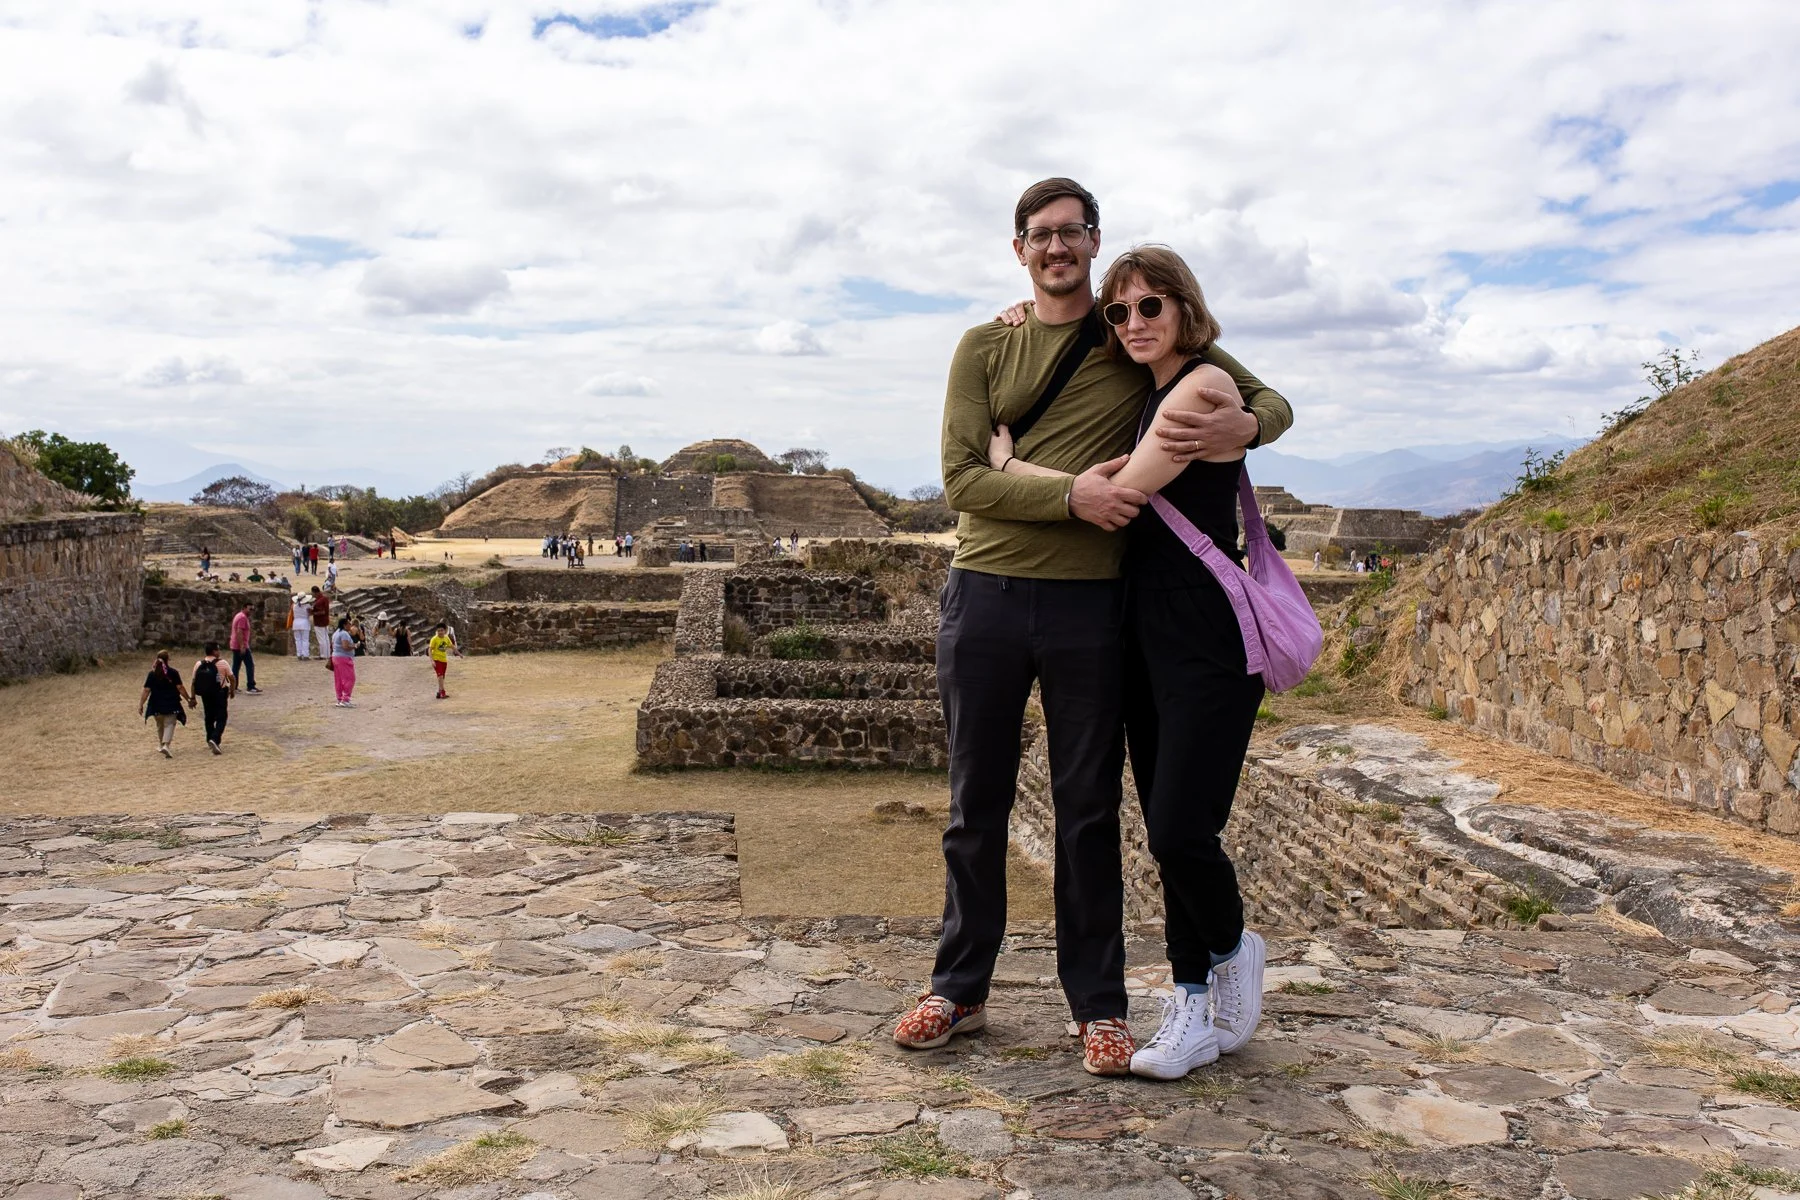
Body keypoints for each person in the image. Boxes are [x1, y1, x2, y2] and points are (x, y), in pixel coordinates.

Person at [892, 178, 1290, 1078]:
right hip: (985, 592)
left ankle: (1098, 1007)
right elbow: (964, 481)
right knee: (974, 805)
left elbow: (1269, 401)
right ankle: (958, 987)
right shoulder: (985, 346)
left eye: (1071, 233)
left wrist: (1247, 425)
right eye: (1040, 235)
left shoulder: (1127, 334)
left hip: (1089, 604)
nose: (1056, 248)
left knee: (1087, 809)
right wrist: (1069, 490)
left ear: (1093, 239)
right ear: (1020, 249)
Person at [985, 244, 1280, 1079]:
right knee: (1162, 827)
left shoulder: (1203, 389)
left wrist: (1005, 466)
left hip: (1204, 634)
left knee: (1185, 828)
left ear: (1185, 307)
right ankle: (1190, 1006)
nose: (1135, 322)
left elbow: (1118, 499)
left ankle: (1231, 946)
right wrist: (1026, 317)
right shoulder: (1147, 394)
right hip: (1141, 632)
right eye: (1119, 311)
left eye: (1152, 305)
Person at [139, 649, 192, 758]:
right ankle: (166, 745)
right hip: (171, 703)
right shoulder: (173, 672)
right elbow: (180, 688)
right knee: (169, 724)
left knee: (160, 725)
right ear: (168, 660)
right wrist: (188, 699)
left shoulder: (152, 674)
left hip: (156, 703)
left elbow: (146, 690)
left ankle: (161, 744)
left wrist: (141, 704)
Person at [191, 641, 235, 753]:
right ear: (214, 651)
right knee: (222, 717)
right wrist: (232, 689)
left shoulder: (199, 664)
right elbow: (232, 678)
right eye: (218, 649)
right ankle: (215, 738)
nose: (219, 651)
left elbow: (194, 682)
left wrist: (193, 698)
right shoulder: (222, 663)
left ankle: (210, 738)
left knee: (209, 717)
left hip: (206, 694)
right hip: (220, 693)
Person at [230, 602, 260, 694]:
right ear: (244, 608)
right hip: (240, 645)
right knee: (249, 665)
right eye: (250, 609)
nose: (251, 611)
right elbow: (239, 632)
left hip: (235, 645)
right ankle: (250, 686)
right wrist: (242, 645)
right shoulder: (242, 617)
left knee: (236, 666)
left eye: (252, 609)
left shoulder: (239, 616)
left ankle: (234, 686)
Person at [329, 617, 357, 707]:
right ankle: (345, 699)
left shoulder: (336, 633)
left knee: (339, 679)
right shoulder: (344, 634)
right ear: (345, 625)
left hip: (336, 657)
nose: (350, 625)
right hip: (343, 658)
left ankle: (340, 698)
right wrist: (354, 646)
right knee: (349, 678)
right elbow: (345, 646)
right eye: (349, 624)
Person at [428, 622, 459, 699]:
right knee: (440, 676)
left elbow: (452, 646)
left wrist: (459, 653)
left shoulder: (446, 638)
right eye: (438, 631)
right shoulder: (434, 639)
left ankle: (439, 691)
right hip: (436, 660)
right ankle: (442, 692)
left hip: (444, 660)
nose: (440, 632)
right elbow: (430, 650)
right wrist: (432, 660)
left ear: (445, 631)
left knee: (442, 677)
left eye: (442, 630)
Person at [310, 586, 332, 662]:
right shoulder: (325, 599)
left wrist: (313, 612)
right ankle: (327, 654)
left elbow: (322, 612)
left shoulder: (319, 601)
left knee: (321, 639)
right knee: (326, 638)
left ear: (314, 592)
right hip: (325, 621)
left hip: (319, 622)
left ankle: (323, 655)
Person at [292, 590, 314, 659]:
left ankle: (299, 654)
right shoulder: (307, 606)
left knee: (298, 640)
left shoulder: (294, 606)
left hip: (296, 623)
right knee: (305, 640)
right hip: (304, 623)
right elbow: (311, 613)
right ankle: (305, 654)